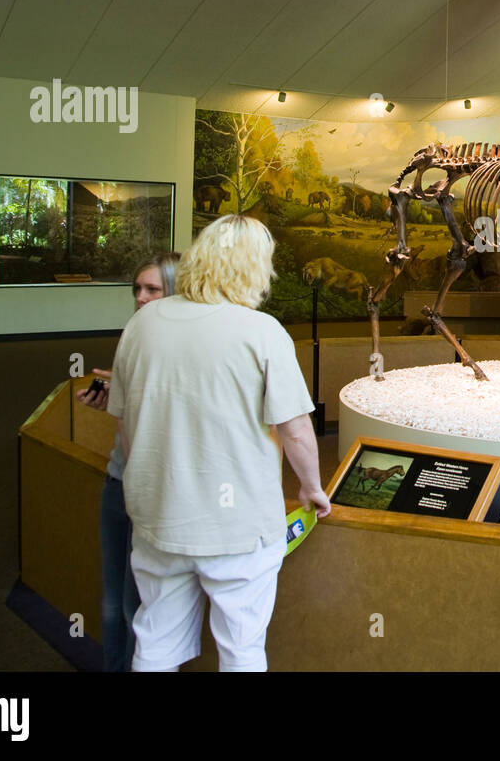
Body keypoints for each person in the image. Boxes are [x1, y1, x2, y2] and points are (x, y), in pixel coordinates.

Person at [107, 215, 330, 672]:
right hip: (239, 528)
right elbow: (296, 429)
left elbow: (126, 423)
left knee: (154, 640)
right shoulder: (262, 331)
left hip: (157, 519)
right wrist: (312, 486)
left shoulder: (144, 322)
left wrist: (147, 488)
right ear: (255, 268)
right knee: (241, 648)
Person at [77, 252, 180, 672]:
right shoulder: (131, 337)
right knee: (112, 596)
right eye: (137, 289)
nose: (140, 298)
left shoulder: (187, 347)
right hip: (122, 481)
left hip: (157, 492)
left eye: (152, 289)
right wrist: (110, 397)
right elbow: (135, 415)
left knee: (135, 600)